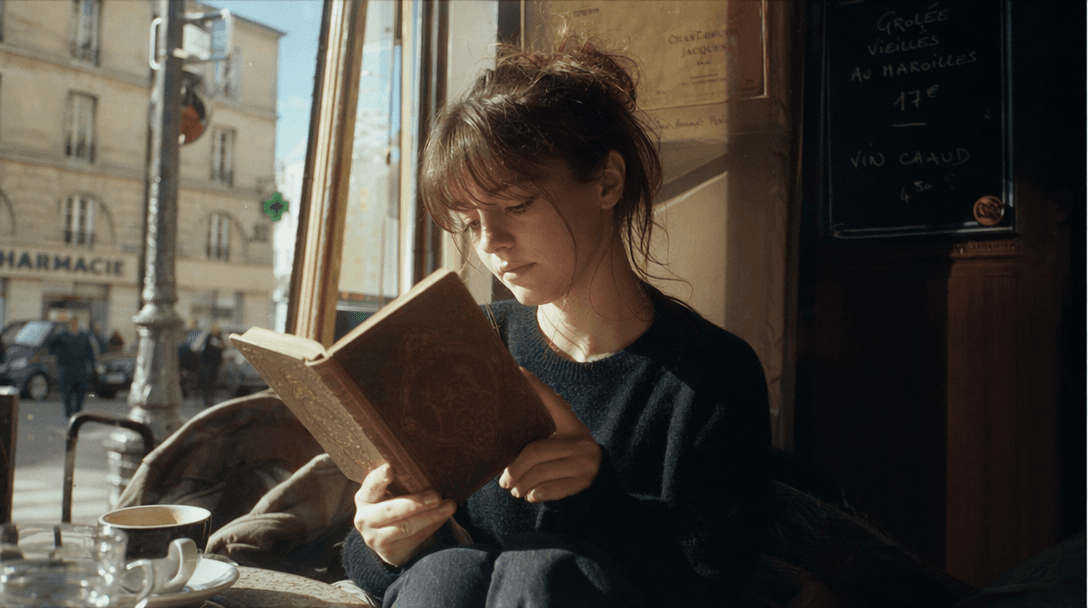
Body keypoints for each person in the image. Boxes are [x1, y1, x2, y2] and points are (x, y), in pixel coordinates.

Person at [341, 37, 772, 607]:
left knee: (542, 574)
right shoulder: (470, 342)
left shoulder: (710, 375)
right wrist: (380, 541)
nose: (491, 242)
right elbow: (393, 563)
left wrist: (596, 498)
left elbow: (719, 586)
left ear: (607, 183)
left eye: (516, 205)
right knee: (446, 574)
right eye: (470, 223)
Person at [47, 316, 98, 418]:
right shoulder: (62, 335)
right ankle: (68, 414)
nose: (74, 325)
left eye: (76, 322)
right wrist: (58, 358)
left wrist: (93, 366)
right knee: (67, 394)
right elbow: (51, 345)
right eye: (72, 323)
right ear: (70, 324)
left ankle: (78, 414)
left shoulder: (83, 336)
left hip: (80, 369)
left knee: (80, 393)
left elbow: (90, 352)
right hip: (67, 369)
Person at [198, 325, 226, 406]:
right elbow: (205, 349)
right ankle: (206, 398)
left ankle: (211, 398)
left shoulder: (220, 337)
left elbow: (224, 347)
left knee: (213, 382)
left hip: (216, 363)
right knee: (207, 382)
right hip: (207, 363)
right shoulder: (208, 337)